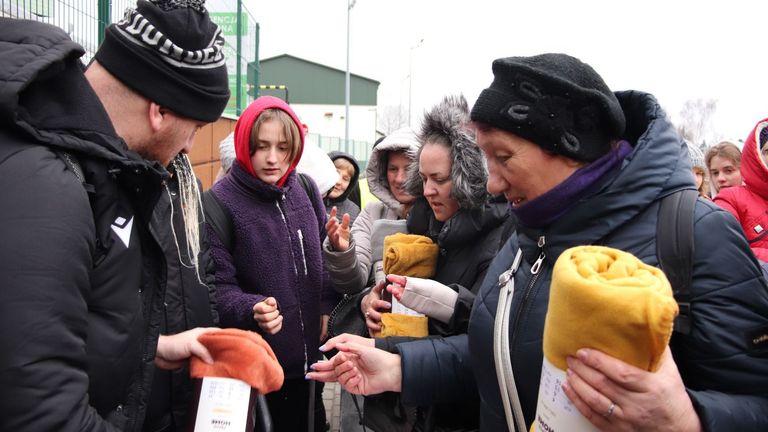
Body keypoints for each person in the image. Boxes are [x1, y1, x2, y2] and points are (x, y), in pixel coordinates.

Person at [309, 53, 768, 431]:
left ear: (571, 149)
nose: (489, 184)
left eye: (503, 157)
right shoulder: (529, 234)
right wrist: (398, 367)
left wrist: (689, 420)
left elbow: (755, 400)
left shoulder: (695, 234)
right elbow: (502, 357)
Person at [0, 1, 230, 430]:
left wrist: (153, 348)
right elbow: (40, 410)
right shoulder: (47, 184)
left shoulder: (94, 168)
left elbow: (59, 331)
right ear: (159, 110)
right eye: (195, 129)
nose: (188, 149)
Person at [359, 94, 515, 432]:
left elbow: (479, 341)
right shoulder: (424, 224)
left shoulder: (499, 241)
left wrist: (392, 357)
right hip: (419, 405)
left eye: (440, 180)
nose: (427, 191)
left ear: (468, 176)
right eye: (424, 179)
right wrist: (374, 300)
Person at [205, 95, 337, 431]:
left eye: (283, 147)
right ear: (243, 143)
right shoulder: (219, 204)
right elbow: (216, 289)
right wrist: (252, 308)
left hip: (310, 367)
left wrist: (326, 302)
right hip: (257, 373)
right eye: (261, 146)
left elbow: (321, 256)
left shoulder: (305, 189)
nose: (273, 158)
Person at [144, 154, 219, 432]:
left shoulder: (190, 185)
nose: (189, 144)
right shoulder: (132, 188)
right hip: (150, 380)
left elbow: (206, 269)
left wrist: (212, 332)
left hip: (194, 365)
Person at [323, 127, 420, 295]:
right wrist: (343, 252)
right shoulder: (372, 214)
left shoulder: (441, 216)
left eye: (409, 168)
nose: (399, 179)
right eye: (393, 169)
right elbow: (353, 283)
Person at [713, 119, 768, 262]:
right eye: (714, 173)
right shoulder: (729, 199)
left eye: (728, 170)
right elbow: (724, 250)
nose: (721, 179)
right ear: (757, 155)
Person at [324, 151, 362, 224]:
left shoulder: (353, 211)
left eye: (345, 179)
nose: (338, 182)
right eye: (336, 173)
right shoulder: (307, 200)